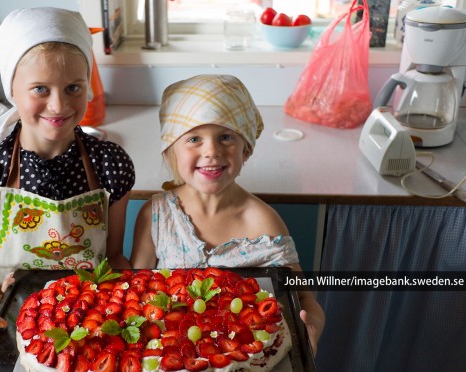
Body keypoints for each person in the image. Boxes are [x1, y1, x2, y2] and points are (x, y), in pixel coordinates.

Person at [0, 7, 135, 338]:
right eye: (40, 89)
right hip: (15, 323)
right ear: (13, 89)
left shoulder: (109, 164)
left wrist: (129, 307)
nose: (59, 105)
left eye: (73, 88)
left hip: (92, 324)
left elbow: (113, 257)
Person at [130, 74, 324, 355]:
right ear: (171, 149)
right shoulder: (156, 216)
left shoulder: (264, 223)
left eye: (226, 137)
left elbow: (304, 299)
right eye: (194, 138)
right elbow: (136, 293)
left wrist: (312, 328)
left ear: (245, 149)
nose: (211, 151)